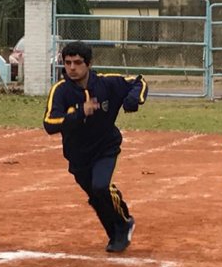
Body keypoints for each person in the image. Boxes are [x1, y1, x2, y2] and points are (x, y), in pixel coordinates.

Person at [43, 41, 148, 252]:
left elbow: (139, 81)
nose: (72, 68)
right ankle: (116, 233)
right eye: (67, 63)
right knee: (95, 197)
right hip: (78, 155)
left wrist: (133, 99)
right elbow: (50, 124)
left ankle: (125, 220)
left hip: (105, 147)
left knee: (101, 186)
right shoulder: (61, 91)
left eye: (78, 63)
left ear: (89, 63)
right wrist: (79, 112)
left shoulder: (106, 83)